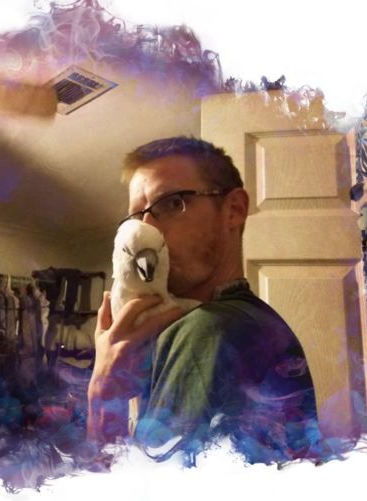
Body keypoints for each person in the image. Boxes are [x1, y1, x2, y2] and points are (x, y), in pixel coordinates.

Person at [87, 136, 320, 464]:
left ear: (234, 210)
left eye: (171, 203)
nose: (147, 230)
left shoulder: (207, 329)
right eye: (136, 217)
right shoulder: (257, 320)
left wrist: (103, 395)